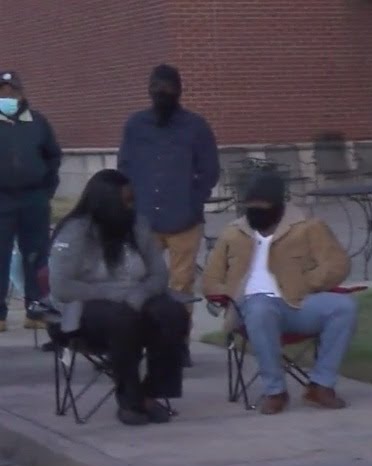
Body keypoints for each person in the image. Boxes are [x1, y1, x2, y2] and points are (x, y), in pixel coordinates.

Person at [201, 170, 355, 415]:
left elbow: (338, 265)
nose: (255, 211)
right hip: (249, 309)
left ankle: (321, 385)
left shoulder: (308, 228)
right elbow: (210, 279)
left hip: (297, 304)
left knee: (343, 307)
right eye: (250, 206)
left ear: (277, 204)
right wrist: (230, 296)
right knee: (261, 308)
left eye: (262, 206)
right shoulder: (233, 232)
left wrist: (306, 284)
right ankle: (275, 390)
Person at [46, 169, 189, 426]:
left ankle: (151, 392)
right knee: (121, 320)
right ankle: (130, 401)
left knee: (172, 313)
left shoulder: (137, 225)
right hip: (83, 310)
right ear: (107, 202)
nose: (131, 206)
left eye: (132, 199)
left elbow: (158, 274)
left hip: (135, 300)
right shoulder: (76, 231)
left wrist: (140, 294)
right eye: (125, 201)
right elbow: (62, 287)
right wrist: (114, 294)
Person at [117, 64, 219, 364]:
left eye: (166, 88)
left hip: (183, 220)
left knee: (181, 286)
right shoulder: (136, 125)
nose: (160, 93)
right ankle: (140, 340)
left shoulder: (195, 126)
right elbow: (125, 166)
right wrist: (130, 203)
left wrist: (194, 200)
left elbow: (209, 169)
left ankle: (177, 345)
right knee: (138, 281)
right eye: (155, 87)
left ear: (178, 91)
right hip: (144, 218)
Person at [0, 70, 60, 333]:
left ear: (21, 92)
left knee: (36, 255)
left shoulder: (37, 122)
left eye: (12, 90)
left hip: (34, 198)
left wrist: (47, 190)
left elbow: (52, 156)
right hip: (2, 199)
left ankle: (35, 308)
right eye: (2, 90)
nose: (7, 95)